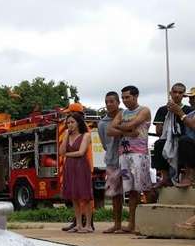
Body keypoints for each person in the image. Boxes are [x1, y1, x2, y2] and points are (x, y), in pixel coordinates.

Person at [109, 85, 152, 233]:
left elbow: (132, 124)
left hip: (140, 154)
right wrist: (127, 131)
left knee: (143, 188)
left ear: (135, 96)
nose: (125, 100)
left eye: (127, 97)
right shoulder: (122, 112)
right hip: (124, 155)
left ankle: (146, 222)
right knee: (131, 191)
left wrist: (121, 127)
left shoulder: (144, 110)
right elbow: (110, 130)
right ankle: (132, 224)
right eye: (123, 98)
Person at [151, 83, 191, 188]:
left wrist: (179, 112)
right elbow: (159, 132)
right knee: (159, 143)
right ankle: (165, 177)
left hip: (185, 140)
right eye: (175, 92)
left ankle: (188, 176)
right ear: (170, 93)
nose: (177, 95)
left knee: (184, 141)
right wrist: (167, 119)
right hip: (168, 139)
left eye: (180, 92)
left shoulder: (189, 110)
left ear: (184, 95)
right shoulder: (162, 110)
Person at [98, 92, 126, 233]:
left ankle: (133, 223)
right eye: (106, 101)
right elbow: (104, 144)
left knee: (133, 191)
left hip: (127, 158)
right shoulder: (102, 123)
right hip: (112, 161)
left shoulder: (126, 117)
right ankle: (117, 224)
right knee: (115, 194)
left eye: (111, 101)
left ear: (118, 102)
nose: (109, 104)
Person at [60, 112, 93, 233]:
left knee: (85, 196)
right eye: (68, 123)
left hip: (81, 166)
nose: (70, 125)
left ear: (78, 123)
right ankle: (78, 224)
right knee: (74, 196)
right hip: (70, 167)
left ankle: (88, 225)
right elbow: (61, 151)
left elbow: (81, 152)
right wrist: (65, 137)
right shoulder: (67, 135)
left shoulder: (86, 135)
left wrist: (67, 155)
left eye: (72, 122)